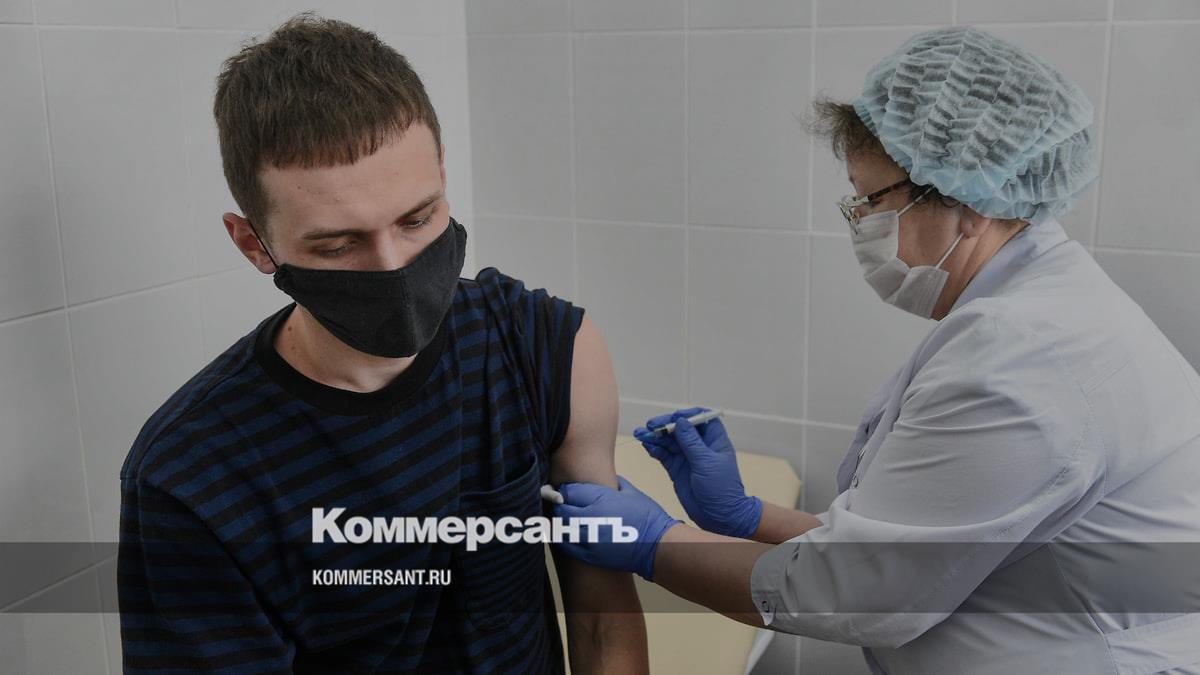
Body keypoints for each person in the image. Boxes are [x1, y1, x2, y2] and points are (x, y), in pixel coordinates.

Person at [551, 25, 1200, 674]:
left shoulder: (1021, 362)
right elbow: (909, 549)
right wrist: (747, 516)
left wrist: (654, 543)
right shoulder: (1034, 307)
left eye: (871, 201)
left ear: (966, 197)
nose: (861, 223)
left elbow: (856, 593)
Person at [117, 13, 648, 674]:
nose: (395, 268)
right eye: (337, 245)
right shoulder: (193, 477)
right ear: (254, 243)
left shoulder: (541, 347)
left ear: (442, 175)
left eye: (417, 218)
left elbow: (601, 627)